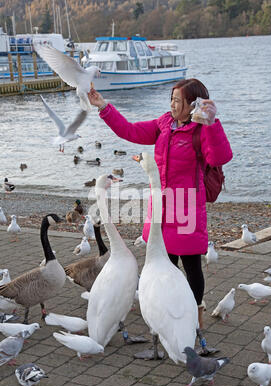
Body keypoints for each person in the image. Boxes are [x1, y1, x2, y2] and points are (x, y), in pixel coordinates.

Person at [88, 78, 233, 330]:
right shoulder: (164, 123)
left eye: (178, 101)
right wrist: (104, 107)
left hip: (186, 207)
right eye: (172, 99)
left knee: (191, 267)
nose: (173, 105)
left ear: (193, 104)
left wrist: (211, 123)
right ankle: (166, 316)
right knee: (163, 265)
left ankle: (193, 318)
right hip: (161, 206)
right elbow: (130, 131)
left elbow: (221, 156)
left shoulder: (201, 130)